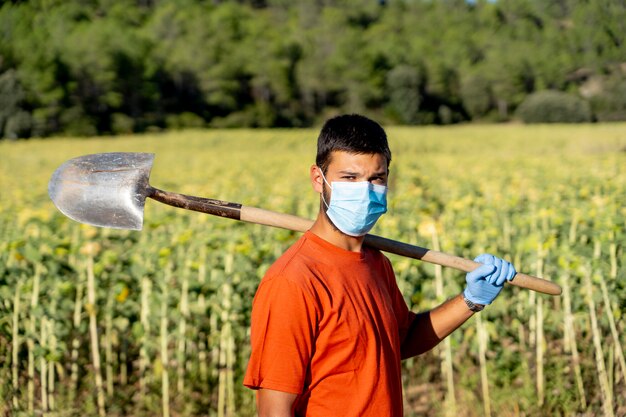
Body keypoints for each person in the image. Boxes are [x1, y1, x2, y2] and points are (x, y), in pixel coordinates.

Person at [243, 114, 516, 417]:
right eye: (349, 178)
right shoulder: (293, 281)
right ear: (318, 180)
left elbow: (403, 340)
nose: (365, 189)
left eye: (376, 178)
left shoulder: (376, 262)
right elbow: (274, 409)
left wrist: (471, 300)